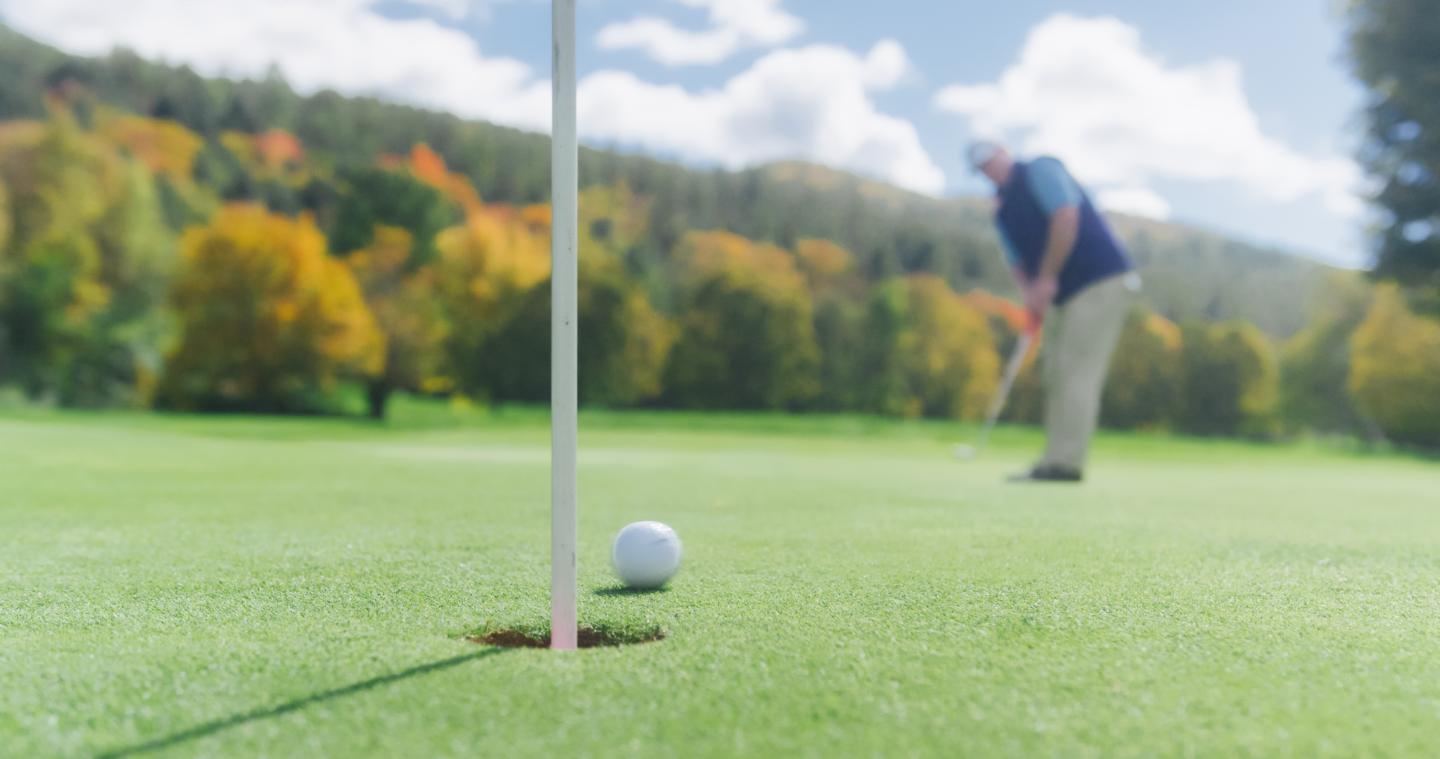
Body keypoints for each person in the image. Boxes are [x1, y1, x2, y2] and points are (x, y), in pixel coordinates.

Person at [968, 141, 1140, 483]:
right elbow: (1017, 262)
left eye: (991, 161)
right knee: (1055, 373)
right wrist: (1031, 296)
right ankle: (1053, 459)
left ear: (1004, 152)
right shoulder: (1002, 210)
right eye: (983, 169)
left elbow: (1066, 216)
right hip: (1060, 291)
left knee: (1077, 371)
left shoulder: (1041, 169)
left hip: (1099, 279)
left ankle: (1065, 464)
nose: (990, 171)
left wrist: (1046, 277)